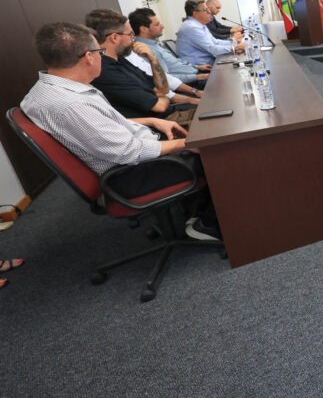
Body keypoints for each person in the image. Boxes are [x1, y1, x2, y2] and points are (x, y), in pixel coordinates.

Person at [19, 22, 220, 240]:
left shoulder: (48, 89)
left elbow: (104, 125)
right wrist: (185, 144)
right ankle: (208, 225)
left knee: (207, 137)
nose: (102, 56)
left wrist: (151, 121)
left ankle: (196, 209)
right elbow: (129, 152)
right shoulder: (71, 105)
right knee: (221, 152)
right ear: (88, 57)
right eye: (100, 51)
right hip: (131, 173)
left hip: (131, 156)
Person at [85, 9, 196, 120]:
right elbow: (159, 106)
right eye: (130, 34)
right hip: (162, 123)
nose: (133, 39)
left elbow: (164, 89)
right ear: (114, 37)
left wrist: (153, 59)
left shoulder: (120, 60)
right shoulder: (106, 71)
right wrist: (160, 94)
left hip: (171, 114)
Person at [176, 0, 243, 65]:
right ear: (195, 13)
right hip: (199, 67)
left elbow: (215, 42)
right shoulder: (192, 27)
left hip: (208, 62)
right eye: (206, 10)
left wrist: (233, 43)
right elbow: (212, 49)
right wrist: (236, 47)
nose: (209, 12)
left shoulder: (199, 24)